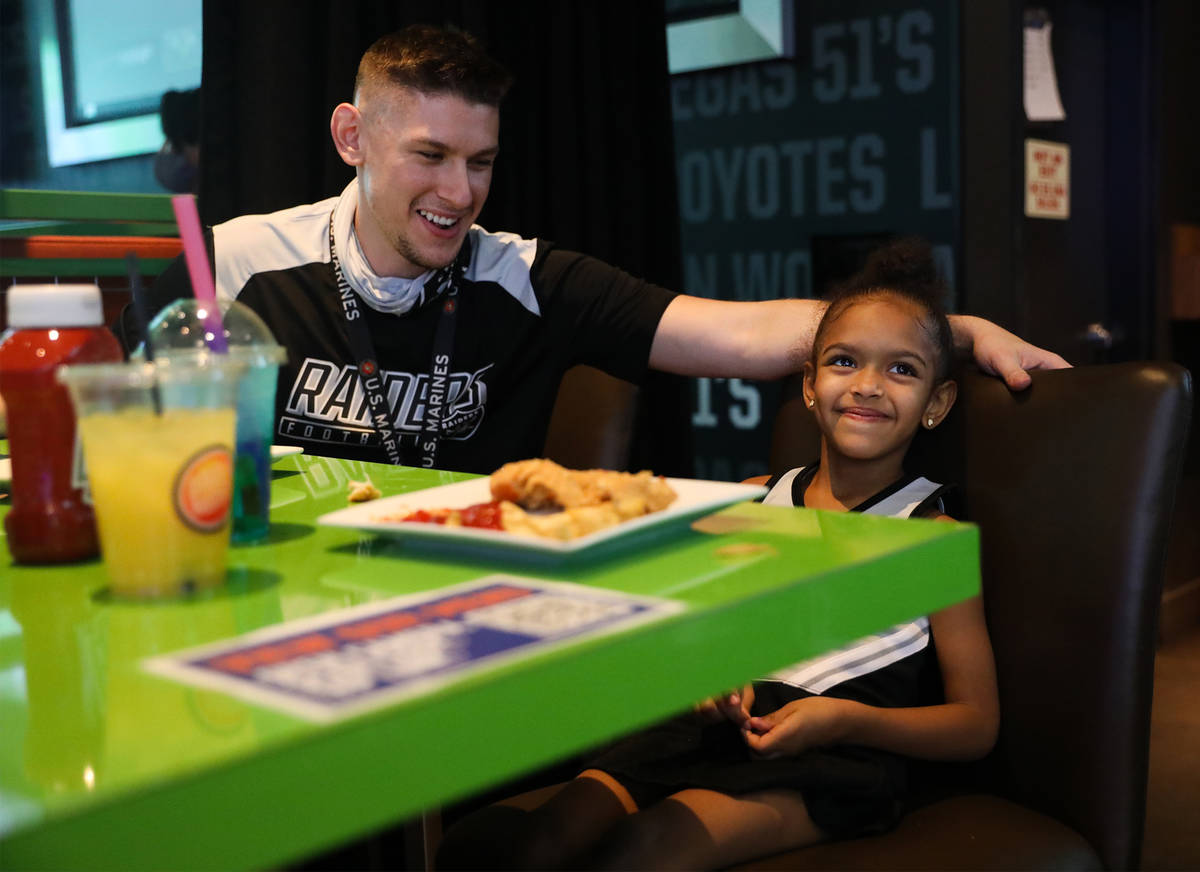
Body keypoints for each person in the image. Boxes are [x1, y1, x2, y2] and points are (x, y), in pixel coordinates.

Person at [119, 24, 1067, 475]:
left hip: (469, 623)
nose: (460, 192)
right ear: (351, 138)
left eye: (481, 161)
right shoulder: (232, 264)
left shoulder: (521, 276)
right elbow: (122, 442)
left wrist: (950, 330)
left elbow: (743, 335)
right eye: (431, 157)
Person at [433, 238, 999, 870]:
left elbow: (975, 723)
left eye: (902, 370)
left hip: (838, 757)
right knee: (543, 842)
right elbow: (699, 632)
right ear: (809, 386)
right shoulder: (753, 501)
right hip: (707, 732)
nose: (867, 386)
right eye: (844, 361)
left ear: (937, 403)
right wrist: (709, 682)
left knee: (643, 852)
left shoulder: (934, 535)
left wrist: (843, 720)